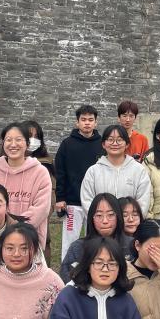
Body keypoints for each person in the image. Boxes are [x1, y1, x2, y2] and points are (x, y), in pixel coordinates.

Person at [0, 123, 54, 250]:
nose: (13, 144)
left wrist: (16, 229)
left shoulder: (40, 172)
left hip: (30, 239)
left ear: (27, 144)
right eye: (8, 140)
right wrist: (1, 229)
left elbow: (42, 208)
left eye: (18, 140)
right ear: (3, 143)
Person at [54, 105, 103, 260]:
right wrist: (60, 198)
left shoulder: (102, 144)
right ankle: (67, 270)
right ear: (77, 122)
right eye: (83, 119)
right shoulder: (67, 144)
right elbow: (60, 172)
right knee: (69, 242)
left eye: (90, 120)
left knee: (94, 241)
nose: (87, 123)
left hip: (95, 203)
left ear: (96, 122)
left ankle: (91, 269)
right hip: (72, 203)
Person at [80, 124, 152, 216]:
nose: (115, 143)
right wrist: (101, 219)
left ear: (127, 144)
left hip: (129, 223)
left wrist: (131, 219)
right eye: (110, 140)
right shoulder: (93, 171)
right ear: (103, 144)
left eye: (119, 140)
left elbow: (143, 201)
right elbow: (87, 201)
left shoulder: (138, 170)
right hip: (102, 223)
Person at [59, 193, 126, 282]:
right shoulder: (78, 247)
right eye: (99, 215)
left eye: (110, 215)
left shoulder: (130, 246)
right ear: (91, 218)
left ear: (118, 217)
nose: (105, 221)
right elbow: (66, 278)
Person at [23, 119, 56, 257]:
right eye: (29, 136)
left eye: (36, 137)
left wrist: (40, 214)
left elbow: (51, 195)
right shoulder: (6, 162)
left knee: (41, 245)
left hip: (40, 217)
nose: (33, 140)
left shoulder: (46, 163)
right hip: (13, 216)